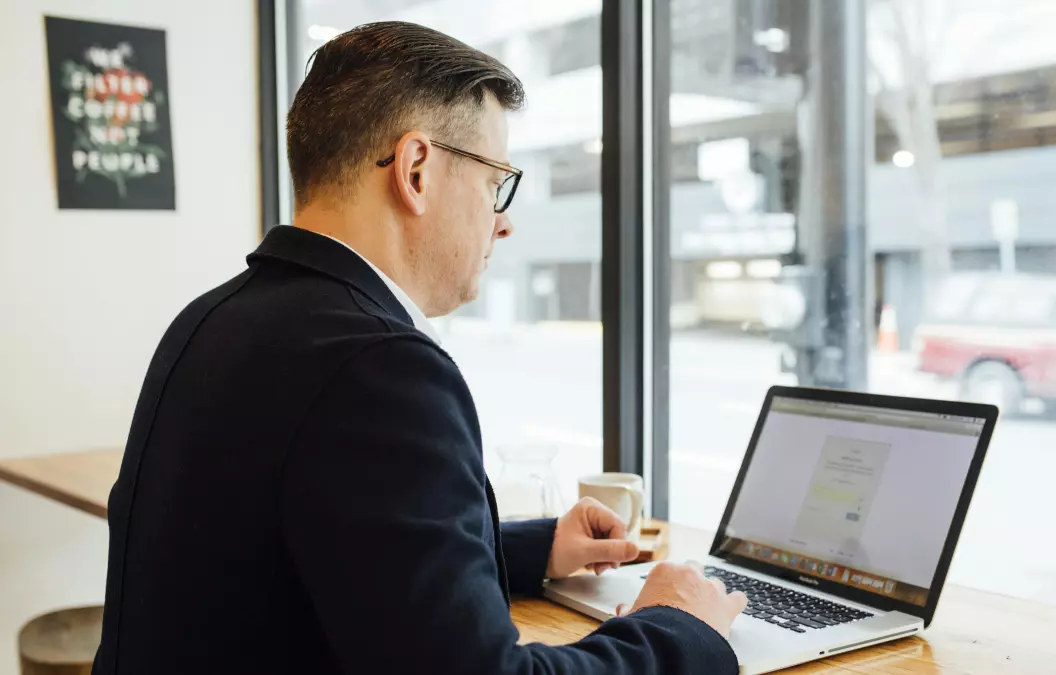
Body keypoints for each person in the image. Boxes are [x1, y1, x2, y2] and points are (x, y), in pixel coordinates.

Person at [92, 21, 745, 675]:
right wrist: (676, 627)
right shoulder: (378, 367)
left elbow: (324, 546)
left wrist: (533, 547)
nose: (504, 219)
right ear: (415, 170)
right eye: (497, 184)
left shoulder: (210, 320)